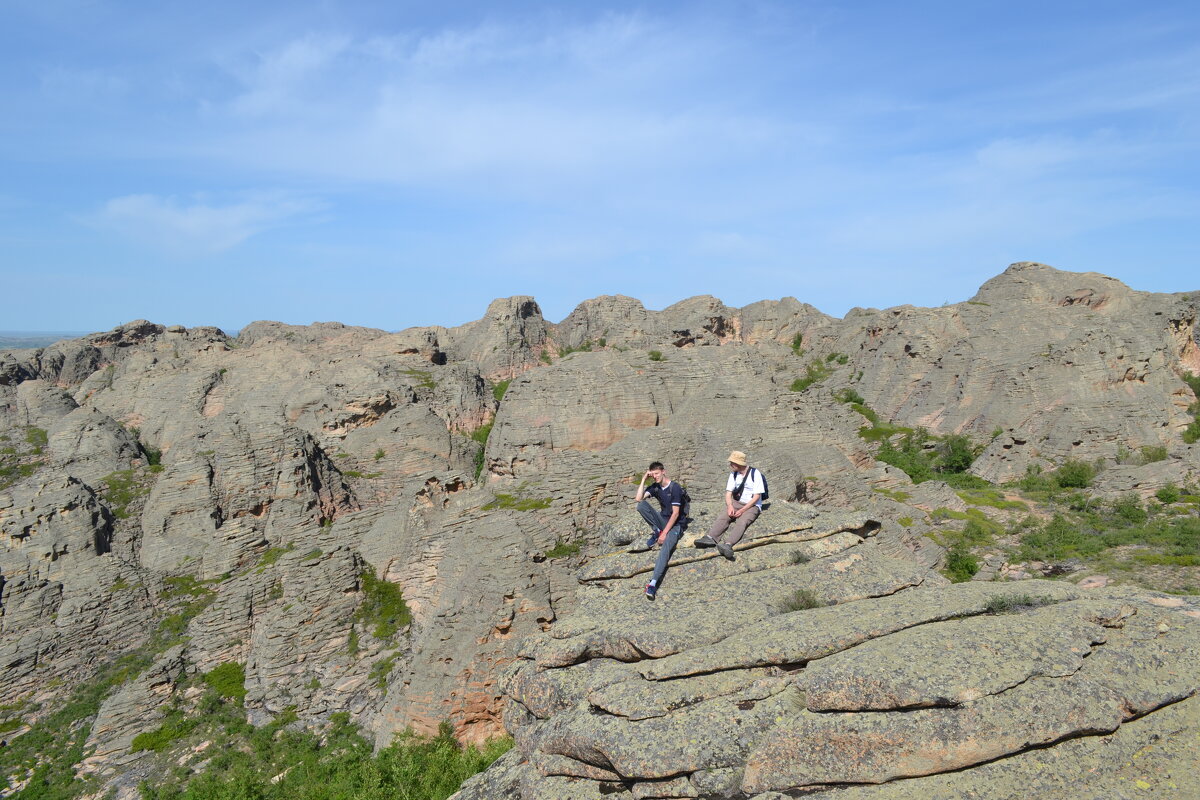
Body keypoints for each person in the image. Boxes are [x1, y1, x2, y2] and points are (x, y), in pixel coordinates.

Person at [694, 451, 765, 561]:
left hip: (752, 505)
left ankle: (728, 544)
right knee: (724, 516)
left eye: (732, 463)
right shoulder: (734, 474)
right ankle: (711, 538)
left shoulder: (755, 474)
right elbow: (728, 493)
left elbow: (757, 496)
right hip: (737, 502)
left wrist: (743, 510)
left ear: (738, 463)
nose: (730, 465)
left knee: (742, 522)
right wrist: (730, 506)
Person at [630, 461, 684, 600]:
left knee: (665, 548)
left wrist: (665, 533)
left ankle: (653, 583)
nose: (655, 476)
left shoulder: (675, 488)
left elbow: (676, 514)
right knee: (641, 506)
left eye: (657, 473)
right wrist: (643, 479)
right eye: (652, 474)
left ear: (663, 472)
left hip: (676, 525)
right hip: (663, 520)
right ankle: (657, 530)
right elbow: (638, 499)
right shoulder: (655, 487)